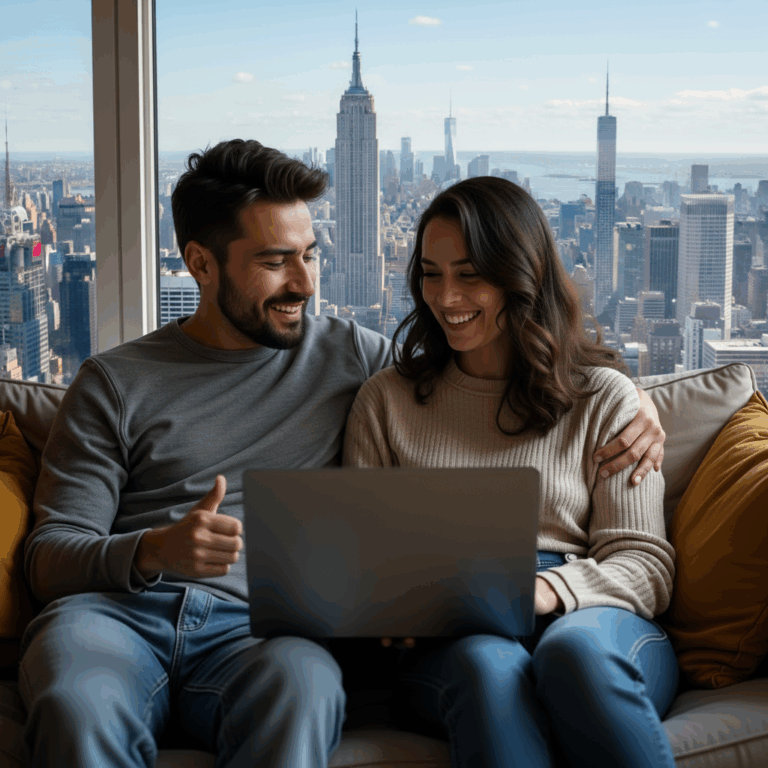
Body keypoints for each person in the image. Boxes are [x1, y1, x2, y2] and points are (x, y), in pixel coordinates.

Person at [20, 140, 666, 768]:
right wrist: (151, 550)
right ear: (201, 263)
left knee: (303, 690)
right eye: (275, 261)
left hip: (259, 632)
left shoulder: (356, 360)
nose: (303, 283)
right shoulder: (114, 381)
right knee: (79, 707)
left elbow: (489, 367)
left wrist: (638, 399)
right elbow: (48, 560)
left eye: (311, 255)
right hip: (116, 618)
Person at [342, 175, 678, 767]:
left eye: (470, 274)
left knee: (576, 655)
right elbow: (362, 571)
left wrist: (546, 590)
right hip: (453, 634)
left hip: (590, 617)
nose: (445, 297)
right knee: (487, 665)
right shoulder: (386, 402)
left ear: (522, 274)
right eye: (431, 272)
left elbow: (645, 566)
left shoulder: (604, 398)